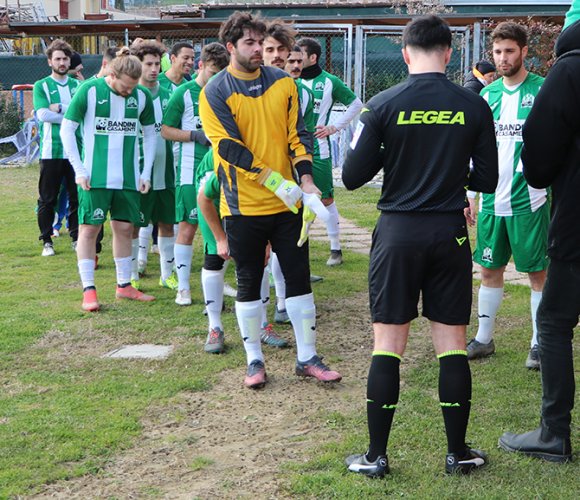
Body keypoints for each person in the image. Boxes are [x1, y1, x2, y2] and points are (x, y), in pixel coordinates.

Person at [342, 15, 498, 477]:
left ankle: (375, 457)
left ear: (406, 54)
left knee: (388, 343)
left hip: (397, 234)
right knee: (450, 342)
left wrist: (398, 156)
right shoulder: (473, 105)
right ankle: (458, 453)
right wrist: (450, 174)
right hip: (448, 231)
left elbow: (351, 178)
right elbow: (487, 179)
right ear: (450, 54)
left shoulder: (383, 103)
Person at [199, 11, 342, 389]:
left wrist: (306, 182)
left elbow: (299, 135)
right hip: (242, 205)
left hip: (289, 205)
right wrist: (276, 181)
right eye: (249, 43)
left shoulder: (284, 83)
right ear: (231, 47)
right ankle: (254, 361)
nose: (259, 49)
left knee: (298, 279)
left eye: (261, 42)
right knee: (249, 280)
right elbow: (229, 148)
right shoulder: (215, 90)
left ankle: (307, 357)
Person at [497, 3, 580, 464]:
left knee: (552, 323)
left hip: (576, 225)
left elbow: (540, 158)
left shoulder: (568, 71)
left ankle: (553, 431)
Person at [466, 22, 549, 370]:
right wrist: (470, 193)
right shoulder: (487, 96)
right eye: (498, 52)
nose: (503, 58)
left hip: (531, 199)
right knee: (488, 268)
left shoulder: (543, 90)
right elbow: (475, 150)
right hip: (491, 200)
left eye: (510, 51)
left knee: (538, 273)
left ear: (524, 51)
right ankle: (484, 338)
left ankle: (538, 343)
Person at [61, 47, 157, 311]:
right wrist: (79, 170)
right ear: (112, 74)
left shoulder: (142, 95)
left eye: (132, 88)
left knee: (125, 229)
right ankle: (89, 290)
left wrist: (145, 172)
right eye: (125, 87)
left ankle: (124, 285)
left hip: (127, 177)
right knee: (89, 229)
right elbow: (67, 130)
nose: (129, 92)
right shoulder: (89, 91)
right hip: (94, 176)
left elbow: (150, 135)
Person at [161, 42, 230, 306]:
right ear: (201, 66)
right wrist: (194, 135)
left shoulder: (226, 92)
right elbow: (165, 130)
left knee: (223, 231)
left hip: (222, 169)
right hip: (190, 172)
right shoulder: (184, 94)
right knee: (188, 228)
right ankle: (183, 287)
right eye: (213, 74)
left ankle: (217, 283)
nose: (217, 80)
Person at [297, 36, 363, 266]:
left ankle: (336, 248)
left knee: (325, 199)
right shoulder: (287, 81)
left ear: (312, 57)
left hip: (318, 148)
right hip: (291, 148)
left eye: (300, 56)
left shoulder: (329, 82)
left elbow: (356, 104)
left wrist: (334, 127)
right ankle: (295, 249)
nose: (295, 61)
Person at [130, 41, 177, 291]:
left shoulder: (170, 93)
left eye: (157, 64)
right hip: (139, 171)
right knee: (137, 224)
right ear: (138, 64)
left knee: (167, 223)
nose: (154, 69)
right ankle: (134, 272)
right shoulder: (131, 95)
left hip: (167, 171)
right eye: (148, 64)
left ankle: (167, 274)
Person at [33, 39, 80, 257]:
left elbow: (84, 112)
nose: (62, 62)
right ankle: (46, 241)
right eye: (58, 59)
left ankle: (76, 238)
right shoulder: (41, 85)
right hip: (50, 151)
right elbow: (42, 115)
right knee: (47, 198)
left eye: (65, 59)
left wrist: (60, 108)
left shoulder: (78, 86)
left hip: (75, 150)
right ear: (50, 61)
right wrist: (70, 115)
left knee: (76, 196)